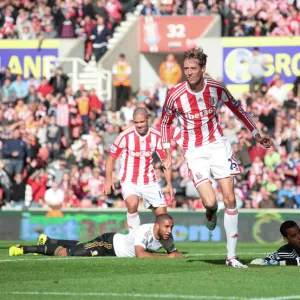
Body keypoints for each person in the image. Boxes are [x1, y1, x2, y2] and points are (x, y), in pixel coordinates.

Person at [160, 48, 273, 268]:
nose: (189, 72)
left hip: (218, 146)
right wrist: (166, 152)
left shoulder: (216, 88)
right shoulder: (175, 94)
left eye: (193, 68)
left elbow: (238, 110)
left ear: (203, 69)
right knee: (211, 201)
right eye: (186, 68)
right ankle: (210, 212)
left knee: (230, 199)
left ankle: (231, 257)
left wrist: (256, 134)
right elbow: (165, 123)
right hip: (194, 151)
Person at [104, 107, 174, 233]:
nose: (139, 125)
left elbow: (166, 162)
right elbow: (110, 158)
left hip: (149, 180)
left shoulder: (156, 136)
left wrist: (169, 184)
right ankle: (134, 239)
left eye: (142, 122)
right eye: (136, 122)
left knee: (162, 216)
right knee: (132, 202)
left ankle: (167, 247)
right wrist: (108, 179)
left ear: (148, 119)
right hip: (129, 179)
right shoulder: (125, 136)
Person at [9, 214, 183, 258]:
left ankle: (48, 241)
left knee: (81, 245)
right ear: (157, 225)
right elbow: (140, 255)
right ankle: (24, 249)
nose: (169, 230)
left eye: (171, 227)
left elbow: (173, 253)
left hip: (112, 247)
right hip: (107, 245)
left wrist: (175, 255)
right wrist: (168, 259)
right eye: (167, 227)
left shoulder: (167, 238)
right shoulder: (144, 231)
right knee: (69, 254)